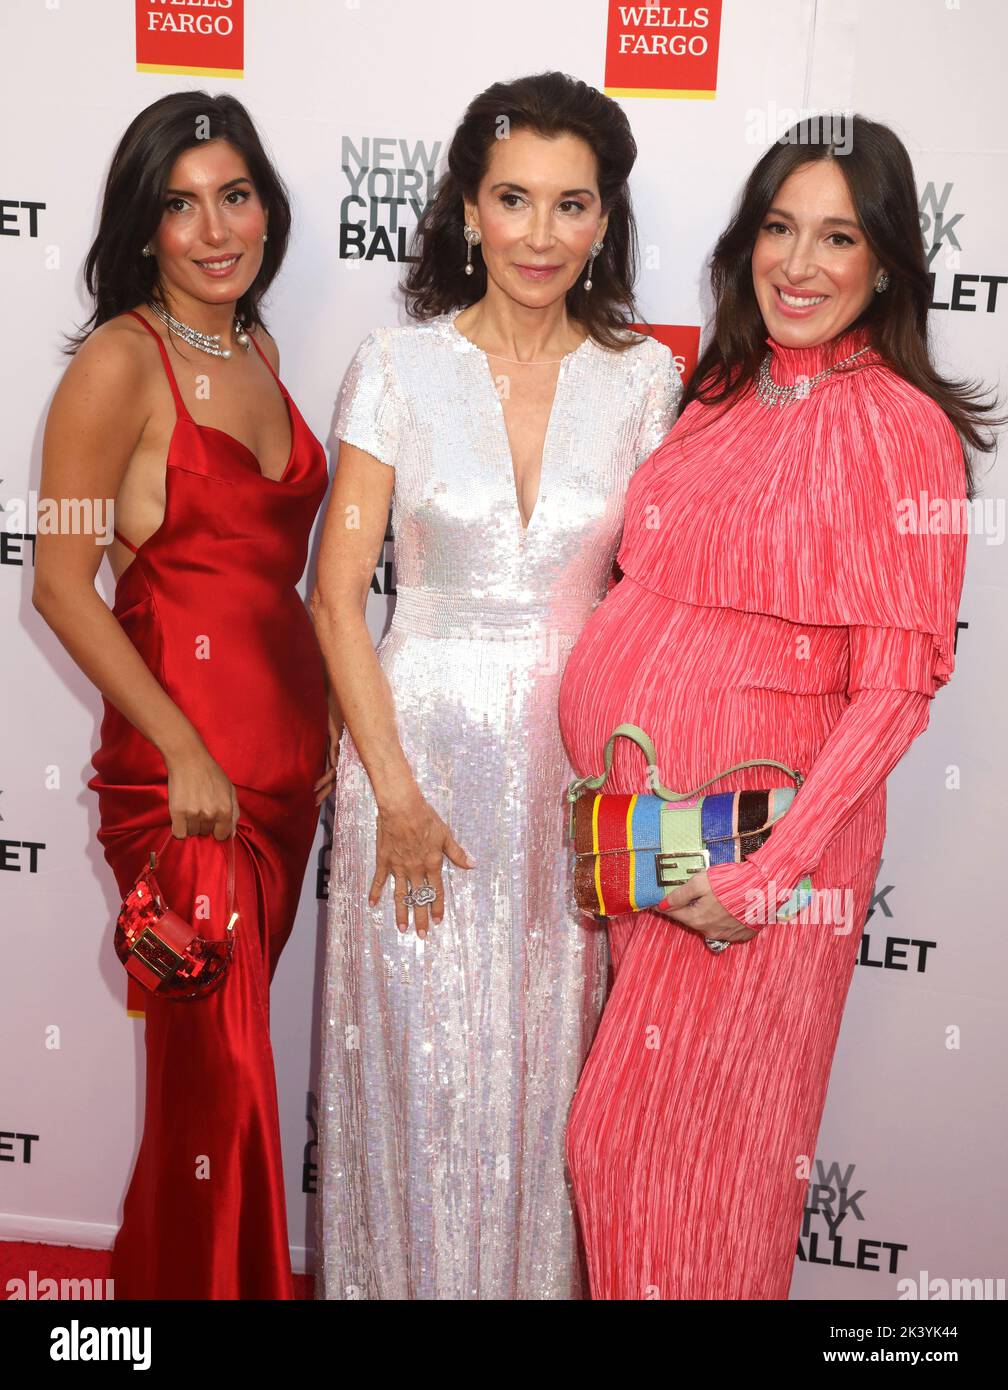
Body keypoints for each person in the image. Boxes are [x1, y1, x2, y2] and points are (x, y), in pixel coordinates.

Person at [557, 115, 999, 1299]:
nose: (798, 264)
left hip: (761, 866)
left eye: (837, 236)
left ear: (888, 262)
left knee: (693, 1167)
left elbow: (898, 688)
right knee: (644, 1162)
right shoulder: (723, 389)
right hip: (657, 848)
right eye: (779, 227)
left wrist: (771, 874)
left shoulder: (904, 430)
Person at [310, 72, 681, 1299]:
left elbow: (659, 602)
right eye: (512, 200)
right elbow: (337, 593)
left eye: (571, 205)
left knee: (544, 1076)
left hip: (567, 784)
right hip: (407, 763)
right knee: (417, 1073)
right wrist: (397, 792)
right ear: (468, 211)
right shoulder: (397, 366)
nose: (539, 234)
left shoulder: (642, 382)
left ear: (603, 218)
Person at [32, 92, 336, 1299]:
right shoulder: (120, 360)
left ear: (268, 203)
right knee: (232, 1106)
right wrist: (184, 750)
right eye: (180, 203)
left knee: (211, 1101)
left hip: (282, 779)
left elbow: (268, 584)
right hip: (186, 790)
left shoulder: (253, 346)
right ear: (142, 226)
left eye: (237, 193)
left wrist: (315, 731)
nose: (215, 228)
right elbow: (60, 582)